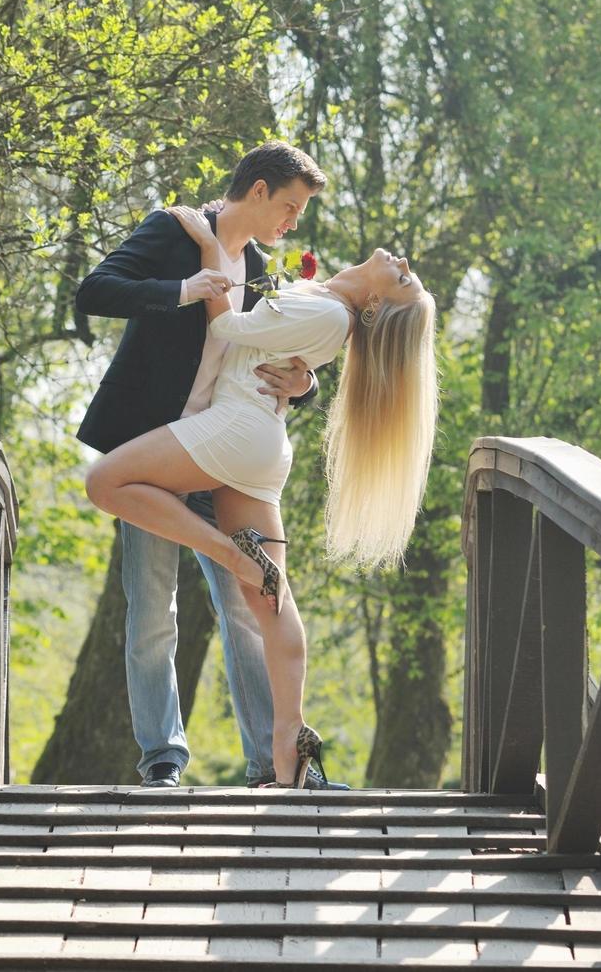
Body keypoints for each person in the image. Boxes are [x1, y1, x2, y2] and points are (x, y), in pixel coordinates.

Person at [84, 202, 440, 787]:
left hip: (225, 437)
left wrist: (207, 256)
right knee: (265, 605)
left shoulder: (322, 308)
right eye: (291, 207)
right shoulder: (308, 291)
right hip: (238, 443)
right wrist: (301, 374)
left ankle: (230, 555)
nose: (400, 260)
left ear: (377, 305)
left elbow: (233, 328)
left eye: (402, 277)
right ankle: (286, 762)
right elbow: (274, 341)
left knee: (107, 484)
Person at [75, 141, 348, 789]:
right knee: (151, 611)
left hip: (223, 460)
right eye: (289, 207)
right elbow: (94, 291)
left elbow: (261, 352)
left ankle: (271, 765)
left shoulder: (258, 265)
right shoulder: (176, 232)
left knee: (251, 606)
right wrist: (182, 289)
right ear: (256, 191)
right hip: (159, 455)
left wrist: (302, 386)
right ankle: (163, 761)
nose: (292, 223)